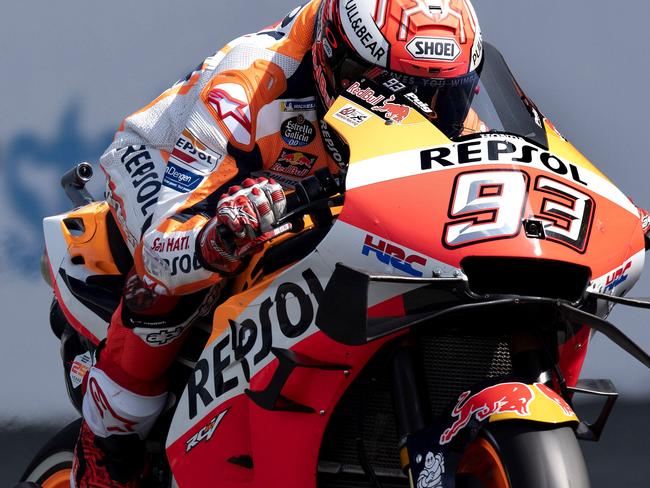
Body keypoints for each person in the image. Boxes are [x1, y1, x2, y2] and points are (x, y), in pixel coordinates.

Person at [70, 0, 649, 486]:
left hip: (331, 185)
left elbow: (488, 168)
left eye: (441, 94)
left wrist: (621, 219)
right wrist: (218, 233)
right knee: (170, 279)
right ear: (331, 59)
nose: (421, 109)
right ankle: (106, 440)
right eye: (395, 92)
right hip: (175, 170)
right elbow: (169, 233)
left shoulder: (441, 78)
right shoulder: (246, 85)